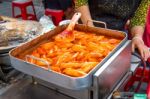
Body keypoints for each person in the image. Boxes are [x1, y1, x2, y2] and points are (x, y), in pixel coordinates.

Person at [75, 0, 150, 61]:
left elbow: (138, 17)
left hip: (117, 35)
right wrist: (91, 30)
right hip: (86, 29)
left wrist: (137, 36)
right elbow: (81, 1)